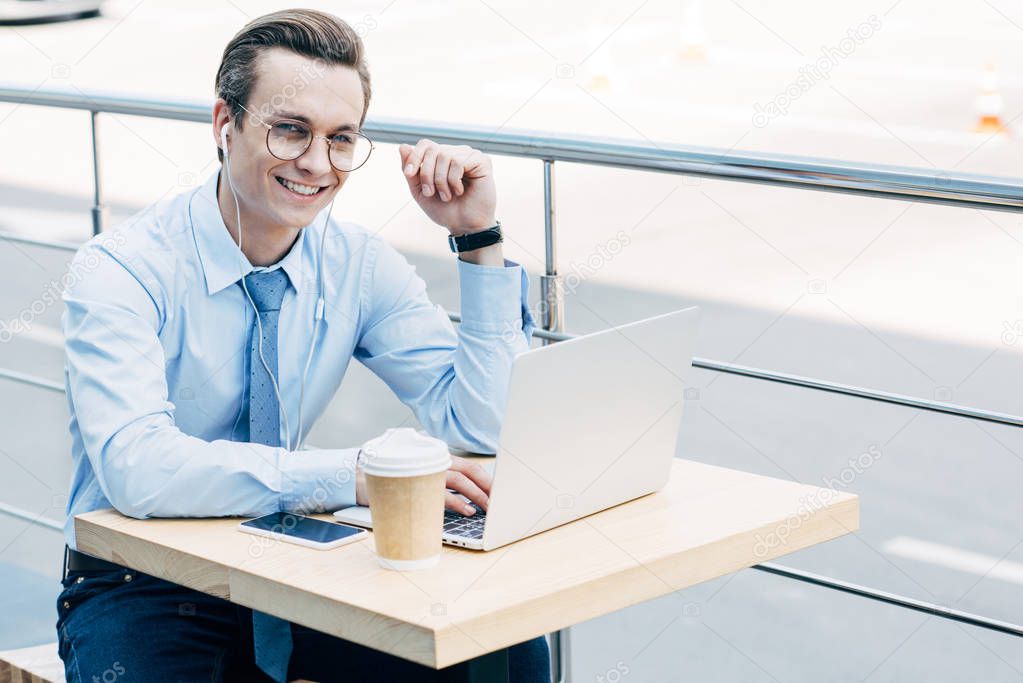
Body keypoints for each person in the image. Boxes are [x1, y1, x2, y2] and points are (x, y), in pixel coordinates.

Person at [55, 8, 548, 682]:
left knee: (500, 647)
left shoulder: (359, 264)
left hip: (292, 564)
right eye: (290, 131)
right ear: (224, 126)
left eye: (340, 138)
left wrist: (476, 238)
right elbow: (139, 469)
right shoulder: (120, 269)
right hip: (143, 584)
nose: (317, 164)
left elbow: (483, 424)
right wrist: (351, 475)